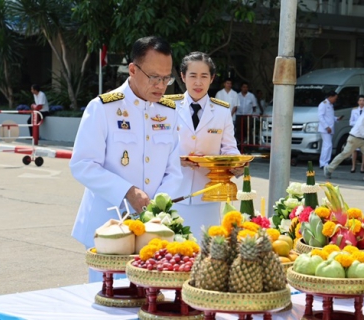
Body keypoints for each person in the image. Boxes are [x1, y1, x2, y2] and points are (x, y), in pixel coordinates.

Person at [69, 36, 182, 282]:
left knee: (149, 299)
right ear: (132, 69)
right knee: (110, 301)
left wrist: (158, 206)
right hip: (108, 228)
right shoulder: (103, 108)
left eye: (166, 78)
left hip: (152, 228)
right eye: (154, 77)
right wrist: (127, 191)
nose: (161, 86)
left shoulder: (169, 112)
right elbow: (82, 164)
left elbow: (174, 170)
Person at [166, 52, 241, 239]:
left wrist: (236, 163)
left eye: (204, 76)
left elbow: (229, 148)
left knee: (205, 252)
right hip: (173, 192)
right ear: (183, 77)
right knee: (174, 252)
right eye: (192, 76)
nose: (198, 82)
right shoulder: (167, 108)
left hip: (207, 194)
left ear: (212, 79)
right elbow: (156, 149)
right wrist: (179, 160)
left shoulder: (222, 111)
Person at [324, 101, 364, 182]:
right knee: (345, 154)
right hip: (354, 138)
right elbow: (360, 125)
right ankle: (328, 169)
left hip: (363, 139)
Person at [318, 91, 343, 168]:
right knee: (327, 145)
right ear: (331, 97)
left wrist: (337, 119)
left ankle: (325, 162)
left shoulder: (330, 105)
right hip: (325, 129)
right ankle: (323, 163)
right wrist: (326, 127)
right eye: (335, 98)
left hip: (330, 129)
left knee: (328, 145)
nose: (335, 100)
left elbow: (329, 117)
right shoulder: (323, 104)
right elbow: (320, 117)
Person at [349, 95, 364, 173]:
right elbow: (351, 122)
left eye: (363, 100)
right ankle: (353, 166)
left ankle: (362, 167)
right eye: (360, 100)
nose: (361, 102)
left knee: (363, 150)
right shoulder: (354, 110)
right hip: (356, 132)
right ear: (358, 102)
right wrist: (358, 123)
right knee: (354, 150)